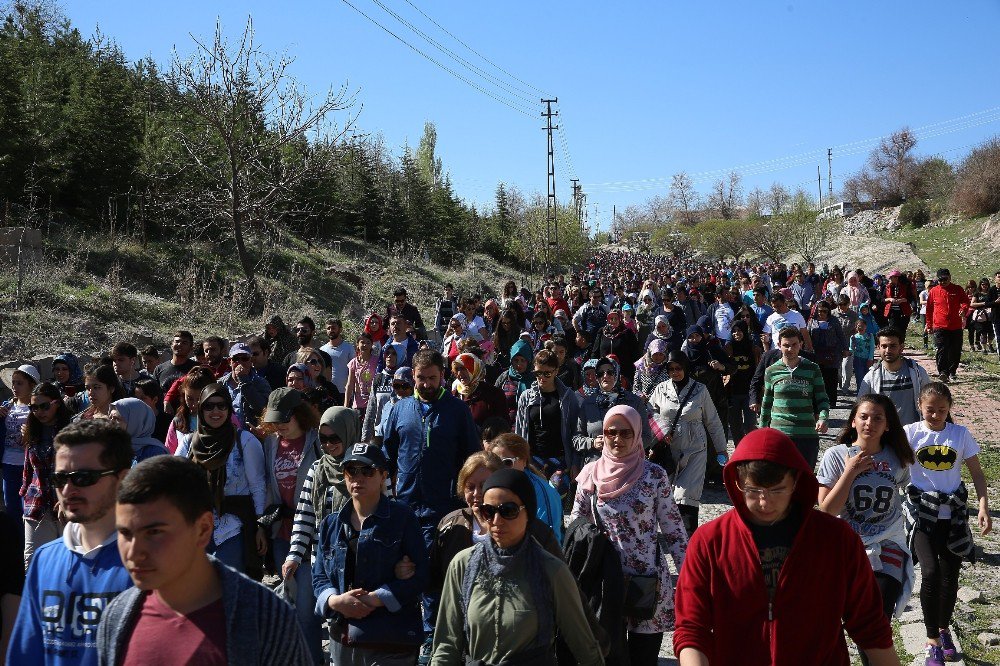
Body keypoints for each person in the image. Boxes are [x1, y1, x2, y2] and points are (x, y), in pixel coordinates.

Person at [672, 427, 900, 666]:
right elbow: (691, 628)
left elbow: (869, 623)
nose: (764, 501)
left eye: (776, 490)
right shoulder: (710, 541)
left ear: (796, 481)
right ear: (737, 481)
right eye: (753, 490)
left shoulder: (836, 538)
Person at [96, 456, 311, 665]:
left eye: (154, 532)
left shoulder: (265, 618)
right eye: (125, 533)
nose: (134, 552)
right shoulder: (116, 617)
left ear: (203, 529)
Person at [432, 468, 604, 665]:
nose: (497, 521)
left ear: (528, 513)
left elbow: (583, 643)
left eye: (508, 511)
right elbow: (446, 645)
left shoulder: (551, 570)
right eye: (489, 512)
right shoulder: (462, 565)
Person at [7, 420, 135, 666]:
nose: (67, 490)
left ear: (123, 480)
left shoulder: (150, 560)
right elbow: (26, 656)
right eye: (60, 479)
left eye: (84, 478)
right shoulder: (44, 559)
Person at [381, 349, 481, 658]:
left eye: (432, 378)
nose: (425, 384)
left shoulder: (456, 410)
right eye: (421, 378)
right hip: (407, 504)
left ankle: (435, 640)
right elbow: (388, 453)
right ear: (413, 376)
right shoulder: (400, 409)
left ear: (442, 376)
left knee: (437, 574)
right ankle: (410, 633)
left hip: (445, 508)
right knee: (405, 568)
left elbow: (471, 456)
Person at [571, 406, 688, 666]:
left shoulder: (653, 475)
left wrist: (691, 578)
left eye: (626, 433)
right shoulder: (590, 474)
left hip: (647, 583)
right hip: (604, 583)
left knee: (643, 658)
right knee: (608, 657)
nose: (618, 439)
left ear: (637, 434)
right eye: (611, 432)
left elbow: (674, 531)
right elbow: (576, 528)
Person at [817, 394, 916, 664]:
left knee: (876, 617)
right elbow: (827, 510)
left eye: (877, 418)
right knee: (838, 618)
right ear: (853, 420)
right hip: (846, 547)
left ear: (888, 425)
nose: (869, 422)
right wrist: (850, 472)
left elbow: (906, 490)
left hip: (888, 544)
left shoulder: (899, 458)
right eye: (863, 416)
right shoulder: (836, 456)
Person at [312, 443, 429, 664]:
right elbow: (319, 575)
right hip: (343, 637)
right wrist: (336, 601)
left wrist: (375, 599)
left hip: (390, 639)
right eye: (351, 471)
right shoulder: (331, 523)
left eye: (367, 471)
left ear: (383, 475)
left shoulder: (403, 518)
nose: (358, 478)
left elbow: (422, 575)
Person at [903, 382, 992, 666]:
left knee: (950, 577)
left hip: (952, 516)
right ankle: (932, 641)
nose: (936, 415)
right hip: (922, 515)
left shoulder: (960, 434)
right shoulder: (911, 433)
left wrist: (983, 505)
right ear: (920, 406)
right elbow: (892, 462)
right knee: (929, 572)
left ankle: (943, 629)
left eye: (942, 410)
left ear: (950, 409)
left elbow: (977, 472)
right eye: (930, 410)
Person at [175, 384, 267, 578]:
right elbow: (175, 483)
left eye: (221, 406)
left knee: (229, 591)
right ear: (200, 409)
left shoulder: (245, 442)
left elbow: (258, 487)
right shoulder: (188, 442)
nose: (215, 411)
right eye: (209, 406)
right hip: (197, 530)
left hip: (233, 528)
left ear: (229, 409)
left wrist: (261, 526)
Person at [260, 387, 325, 663]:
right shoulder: (271, 444)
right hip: (280, 533)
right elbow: (265, 487)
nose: (280, 427)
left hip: (311, 535)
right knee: (289, 607)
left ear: (300, 415)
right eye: (275, 421)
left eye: (285, 420)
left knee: (306, 610)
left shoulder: (318, 441)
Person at [647, 352, 727, 537]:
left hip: (695, 448)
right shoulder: (661, 389)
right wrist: (662, 430)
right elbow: (650, 412)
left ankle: (690, 538)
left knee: (686, 495)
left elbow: (713, 421)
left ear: (685, 368)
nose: (675, 372)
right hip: (669, 449)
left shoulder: (700, 390)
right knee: (667, 494)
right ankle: (673, 534)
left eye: (678, 368)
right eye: (671, 369)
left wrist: (721, 449)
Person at [282, 406, 355, 583]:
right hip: (324, 561)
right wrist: (294, 556)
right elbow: (305, 516)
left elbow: (388, 511)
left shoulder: (368, 468)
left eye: (335, 438)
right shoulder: (317, 469)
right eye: (323, 439)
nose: (329, 445)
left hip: (360, 559)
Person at [759, 326, 830, 470]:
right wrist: (762, 432)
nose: (790, 349)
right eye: (786, 345)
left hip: (806, 434)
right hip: (779, 435)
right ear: (779, 345)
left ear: (801, 345)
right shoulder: (771, 371)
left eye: (794, 345)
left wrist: (823, 418)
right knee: (780, 481)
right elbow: (766, 403)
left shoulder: (812, 369)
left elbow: (822, 399)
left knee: (805, 480)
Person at [20, 382, 72, 567]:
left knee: (67, 562)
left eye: (44, 406)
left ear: (56, 403)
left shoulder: (71, 430)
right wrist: (24, 494)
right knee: (33, 562)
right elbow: (28, 468)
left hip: (65, 504)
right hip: (37, 504)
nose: (39, 411)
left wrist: (68, 497)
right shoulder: (31, 431)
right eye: (34, 407)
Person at [513, 348, 580, 490]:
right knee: (537, 503)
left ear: (556, 371)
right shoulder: (526, 396)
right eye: (538, 373)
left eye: (547, 373)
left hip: (560, 460)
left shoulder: (568, 396)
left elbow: (576, 431)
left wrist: (575, 462)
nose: (541, 377)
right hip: (534, 460)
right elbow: (519, 432)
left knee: (557, 501)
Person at [573, 355, 651, 466]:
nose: (605, 376)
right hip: (596, 467)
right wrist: (592, 442)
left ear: (617, 374)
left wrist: (625, 445)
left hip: (627, 467)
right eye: (600, 373)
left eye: (610, 372)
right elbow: (576, 439)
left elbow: (647, 437)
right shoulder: (588, 403)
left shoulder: (634, 402)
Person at [489, 432, 564, 543]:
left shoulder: (543, 493)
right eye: (496, 463)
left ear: (523, 460)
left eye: (507, 462)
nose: (500, 469)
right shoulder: (489, 487)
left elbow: (550, 541)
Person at [860, 326, 930, 427]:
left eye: (893, 346)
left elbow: (930, 400)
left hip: (913, 434)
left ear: (901, 348)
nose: (888, 350)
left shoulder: (917, 372)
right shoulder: (871, 377)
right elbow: (861, 407)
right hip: (884, 435)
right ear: (878, 347)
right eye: (884, 346)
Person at [2, 364, 38, 519]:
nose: (15, 387)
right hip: (8, 464)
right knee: (11, 507)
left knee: (28, 508)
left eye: (20, 383)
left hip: (28, 465)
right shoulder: (7, 407)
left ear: (31, 385)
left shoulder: (37, 408)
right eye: (14, 383)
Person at [925, 268, 970, 382]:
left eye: (945, 279)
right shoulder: (934, 291)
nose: (943, 282)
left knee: (955, 350)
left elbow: (965, 302)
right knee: (942, 349)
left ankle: (952, 372)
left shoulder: (957, 289)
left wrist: (963, 309)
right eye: (940, 280)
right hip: (939, 326)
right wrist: (929, 325)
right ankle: (943, 372)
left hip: (955, 326)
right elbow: (929, 309)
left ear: (950, 277)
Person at [805, 301, 849, 409]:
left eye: (825, 311)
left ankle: (832, 401)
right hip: (816, 355)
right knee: (818, 378)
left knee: (832, 378)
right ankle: (817, 401)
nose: (822, 313)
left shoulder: (834, 321)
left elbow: (841, 336)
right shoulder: (812, 321)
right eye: (820, 311)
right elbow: (807, 336)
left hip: (832, 354)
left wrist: (845, 349)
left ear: (828, 311)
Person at [164, 366, 218, 454]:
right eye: (189, 398)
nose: (194, 404)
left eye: (199, 399)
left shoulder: (223, 416)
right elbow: (169, 452)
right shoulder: (178, 421)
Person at [218, 341, 271, 429]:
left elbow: (262, 409)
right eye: (236, 359)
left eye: (245, 358)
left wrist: (244, 380)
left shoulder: (261, 383)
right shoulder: (221, 384)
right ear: (229, 361)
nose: (240, 362)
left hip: (251, 435)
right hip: (226, 435)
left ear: (251, 360)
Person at [450, 352, 507, 427]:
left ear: (474, 368)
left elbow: (503, 426)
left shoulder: (493, 393)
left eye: (464, 368)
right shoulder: (454, 395)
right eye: (457, 369)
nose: (460, 373)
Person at [108, 397, 169, 464]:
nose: (111, 422)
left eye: (117, 418)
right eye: (110, 418)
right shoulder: (110, 447)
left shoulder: (155, 453)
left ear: (135, 421)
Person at [362, 346, 402, 443]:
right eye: (387, 353)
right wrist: (365, 438)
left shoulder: (405, 378)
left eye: (394, 353)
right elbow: (371, 408)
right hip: (380, 435)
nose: (389, 356)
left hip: (399, 434)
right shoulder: (379, 378)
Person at [495, 339, 534, 424]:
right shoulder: (504, 378)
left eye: (523, 360)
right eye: (516, 360)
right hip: (507, 429)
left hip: (530, 429)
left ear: (529, 361)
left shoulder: (535, 380)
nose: (519, 365)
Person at [152, 330, 197, 399]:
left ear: (191, 348)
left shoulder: (196, 368)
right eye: (177, 341)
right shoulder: (159, 369)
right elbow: (154, 395)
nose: (179, 344)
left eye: (184, 343)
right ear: (172, 345)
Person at [343, 333, 378, 414]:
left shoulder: (377, 361)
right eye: (362, 342)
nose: (365, 345)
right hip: (358, 406)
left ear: (371, 345)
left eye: (368, 343)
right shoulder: (353, 363)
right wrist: (345, 405)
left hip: (373, 404)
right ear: (357, 345)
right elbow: (350, 384)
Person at [320, 318, 355, 396]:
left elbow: (353, 370)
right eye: (328, 328)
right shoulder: (322, 350)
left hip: (344, 392)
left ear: (340, 330)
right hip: (327, 392)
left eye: (333, 328)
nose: (331, 330)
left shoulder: (349, 348)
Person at [849, 319, 877, 394]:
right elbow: (851, 349)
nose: (861, 327)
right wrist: (849, 351)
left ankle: (869, 394)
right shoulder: (853, 337)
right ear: (856, 327)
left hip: (868, 359)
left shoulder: (870, 336)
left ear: (866, 327)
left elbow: (872, 348)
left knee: (869, 377)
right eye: (859, 326)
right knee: (859, 378)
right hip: (858, 360)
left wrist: (870, 359)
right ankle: (860, 395)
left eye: (862, 326)